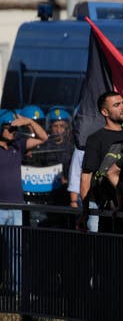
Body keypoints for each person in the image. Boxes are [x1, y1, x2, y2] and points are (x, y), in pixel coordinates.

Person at [0, 109, 47, 293]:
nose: (13, 132)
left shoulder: (18, 146)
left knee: (16, 250)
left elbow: (43, 137)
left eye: (13, 129)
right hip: (0, 207)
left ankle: (16, 289)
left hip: (16, 207)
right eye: (8, 128)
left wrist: (28, 121)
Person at [79, 91, 123, 231]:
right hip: (108, 211)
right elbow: (86, 177)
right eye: (116, 105)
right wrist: (85, 212)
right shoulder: (95, 139)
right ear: (105, 112)